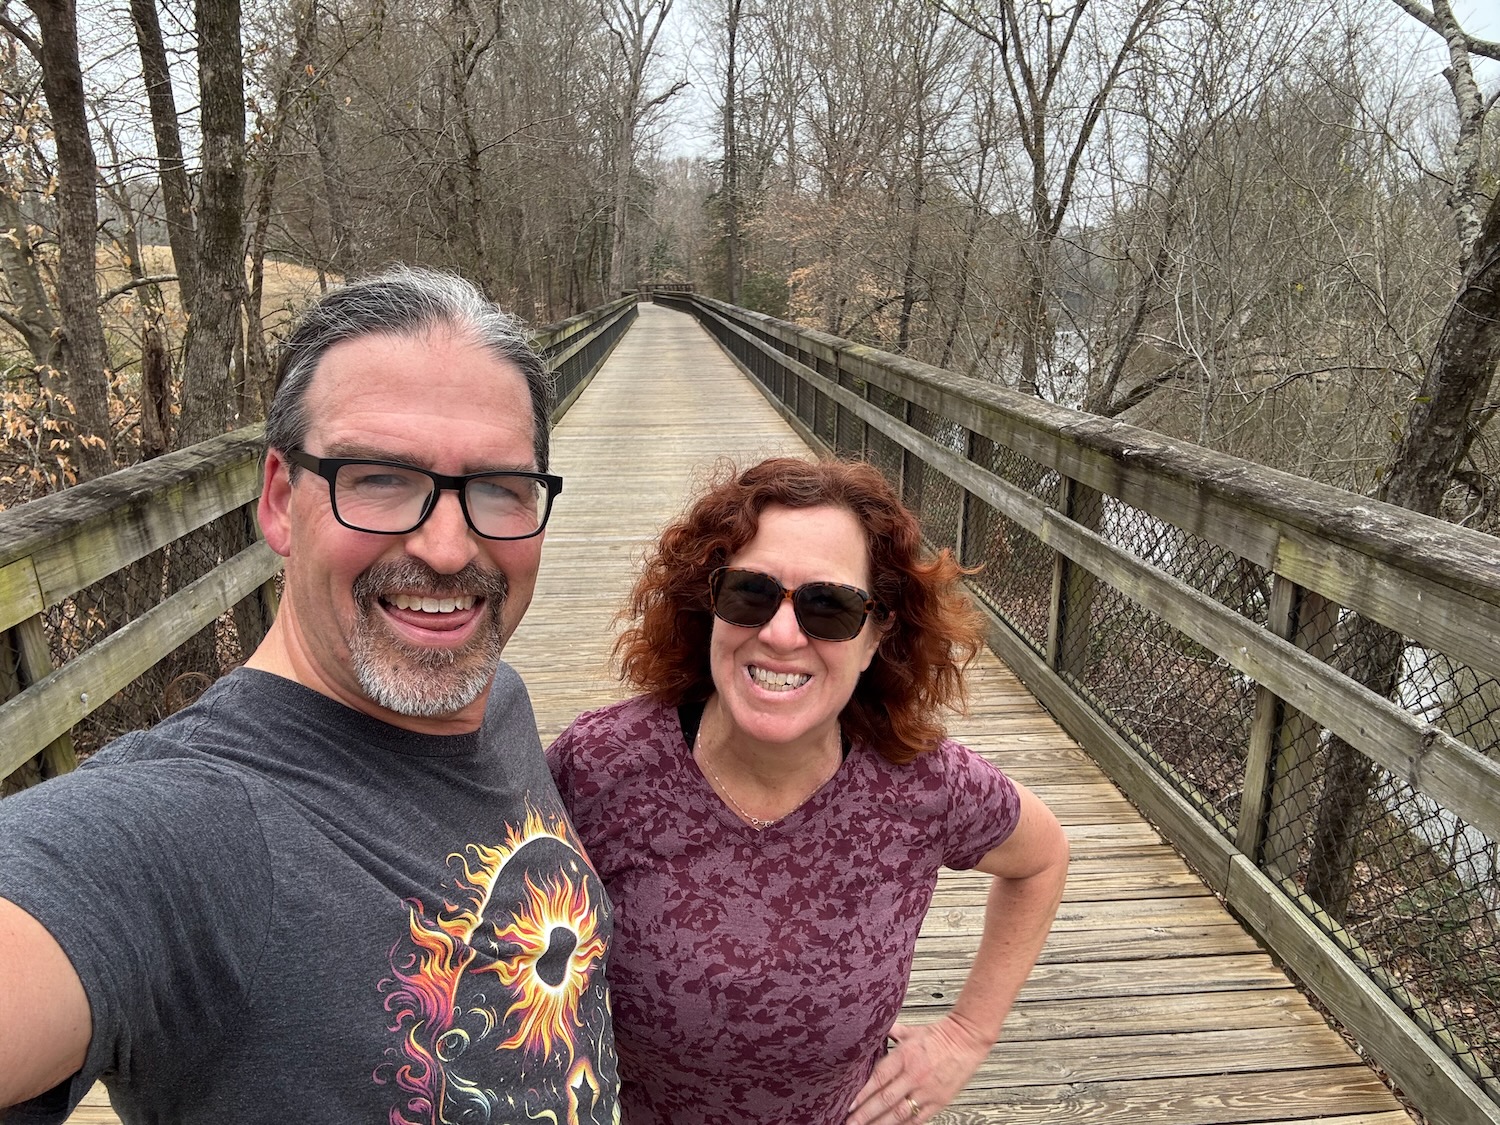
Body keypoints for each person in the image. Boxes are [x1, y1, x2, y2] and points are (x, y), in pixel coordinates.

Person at [0, 268, 618, 1124]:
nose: (447, 548)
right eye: (380, 478)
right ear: (281, 501)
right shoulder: (186, 830)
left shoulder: (497, 699)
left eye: (498, 487)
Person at [547, 456, 1070, 1124]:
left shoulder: (925, 785)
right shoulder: (599, 765)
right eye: (749, 594)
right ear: (709, 606)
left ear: (877, 635)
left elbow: (1042, 858)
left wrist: (967, 1033)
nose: (780, 633)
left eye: (830, 606)